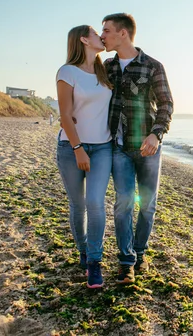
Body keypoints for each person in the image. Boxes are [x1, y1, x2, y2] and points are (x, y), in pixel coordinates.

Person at [101, 13, 174, 284]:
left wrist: (156, 135)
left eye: (106, 31)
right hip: (118, 148)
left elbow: (166, 104)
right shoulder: (107, 67)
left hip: (148, 149)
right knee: (123, 205)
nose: (102, 36)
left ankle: (139, 252)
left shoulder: (153, 66)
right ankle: (126, 262)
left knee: (147, 207)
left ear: (123, 33)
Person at [55, 25, 113, 288]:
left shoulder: (106, 70)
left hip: (103, 147)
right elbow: (65, 115)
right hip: (71, 147)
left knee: (96, 204)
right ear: (83, 39)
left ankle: (94, 261)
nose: (101, 37)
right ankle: (83, 251)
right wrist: (78, 149)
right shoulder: (67, 71)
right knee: (78, 205)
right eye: (95, 32)